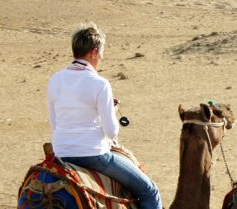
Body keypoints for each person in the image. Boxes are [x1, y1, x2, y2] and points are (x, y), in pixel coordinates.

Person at [47, 24, 162, 209]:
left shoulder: (55, 79)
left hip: (61, 153)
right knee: (150, 191)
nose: (102, 57)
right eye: (101, 53)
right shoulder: (100, 84)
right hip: (93, 155)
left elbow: (54, 123)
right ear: (93, 52)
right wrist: (112, 114)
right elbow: (111, 132)